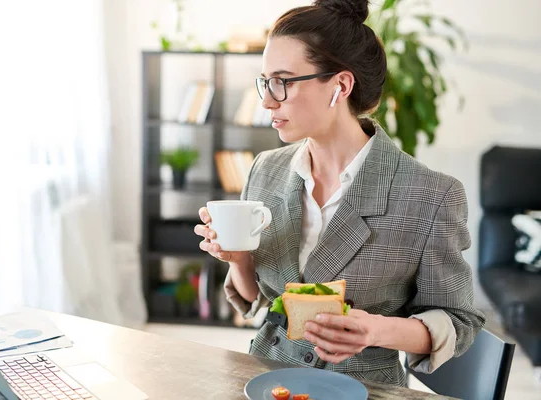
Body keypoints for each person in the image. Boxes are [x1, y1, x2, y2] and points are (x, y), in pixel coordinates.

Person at [194, 0, 485, 386]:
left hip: (365, 388)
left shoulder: (431, 195)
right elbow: (260, 303)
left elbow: (458, 322)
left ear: (340, 86)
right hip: (266, 378)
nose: (267, 100)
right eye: (264, 81)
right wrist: (238, 259)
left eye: (282, 81)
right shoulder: (267, 169)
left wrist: (375, 330)